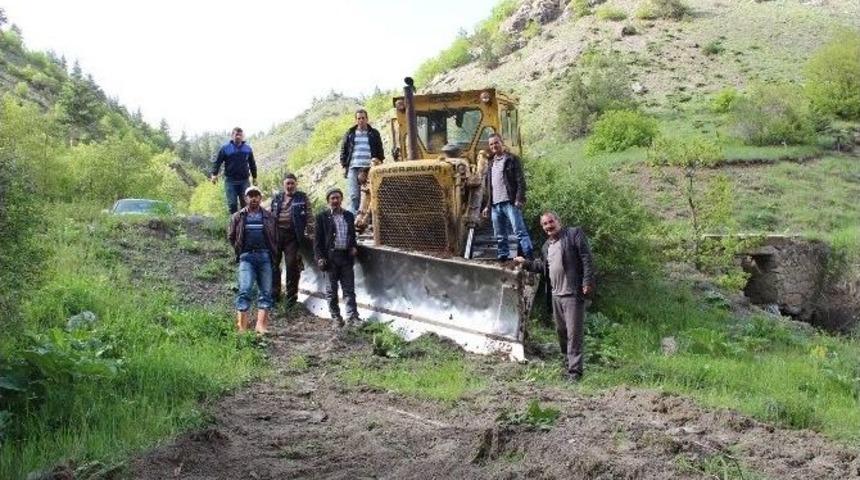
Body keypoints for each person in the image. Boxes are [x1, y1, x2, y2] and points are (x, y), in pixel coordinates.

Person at [514, 212, 595, 381]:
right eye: (545, 224)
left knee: (574, 334)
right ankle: (568, 364)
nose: (548, 226)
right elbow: (542, 266)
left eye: (551, 222)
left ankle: (575, 373)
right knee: (561, 332)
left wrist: (587, 281)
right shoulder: (546, 246)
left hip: (572, 293)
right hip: (555, 296)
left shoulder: (573, 234)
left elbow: (586, 258)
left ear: (559, 221)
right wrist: (525, 262)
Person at [228, 186, 277, 334]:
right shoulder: (238, 216)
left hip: (264, 257)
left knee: (266, 292)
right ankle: (242, 327)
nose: (253, 198)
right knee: (245, 290)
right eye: (250, 195)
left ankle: (261, 326)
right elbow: (231, 236)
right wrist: (240, 251)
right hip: (246, 258)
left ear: (260, 198)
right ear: (245, 198)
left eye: (256, 195)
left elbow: (275, 237)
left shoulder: (269, 216)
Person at [482, 133, 534, 261]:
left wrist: (519, 198)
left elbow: (520, 180)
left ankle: (529, 258)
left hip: (510, 202)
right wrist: (488, 206)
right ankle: (503, 258)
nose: (494, 146)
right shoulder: (490, 163)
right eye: (491, 144)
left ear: (501, 143)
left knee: (520, 232)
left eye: (496, 142)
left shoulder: (512, 159)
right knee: (500, 235)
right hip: (495, 205)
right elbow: (490, 187)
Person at [314, 187, 359, 328]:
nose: (335, 200)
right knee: (331, 291)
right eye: (332, 198)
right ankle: (336, 318)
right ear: (328, 201)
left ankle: (352, 317)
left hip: (345, 257)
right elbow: (317, 241)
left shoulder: (349, 216)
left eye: (337, 198)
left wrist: (353, 247)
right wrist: (320, 257)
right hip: (330, 258)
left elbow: (352, 235)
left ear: (341, 199)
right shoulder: (322, 217)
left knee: (349, 289)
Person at [269, 173, 309, 307]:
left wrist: (312, 234)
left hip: (293, 236)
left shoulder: (302, 197)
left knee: (292, 264)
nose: (290, 186)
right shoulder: (277, 198)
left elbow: (309, 216)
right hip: (276, 234)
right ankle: (275, 295)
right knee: (274, 264)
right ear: (283, 184)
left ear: (296, 184)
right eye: (288, 183)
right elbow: (270, 215)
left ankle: (291, 297)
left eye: (292, 183)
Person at [340, 109, 384, 213]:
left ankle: (370, 219)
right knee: (354, 195)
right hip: (353, 167)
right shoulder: (350, 133)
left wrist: (378, 160)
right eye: (359, 118)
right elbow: (343, 150)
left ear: (367, 119)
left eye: (363, 118)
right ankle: (356, 221)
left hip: (370, 168)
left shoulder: (374, 133)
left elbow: (380, 150)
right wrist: (343, 164)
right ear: (356, 120)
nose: (361, 120)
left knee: (372, 194)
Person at [211, 127, 258, 214]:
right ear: (232, 136)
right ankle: (234, 225)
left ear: (243, 136)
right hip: (230, 182)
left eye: (240, 135)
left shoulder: (247, 149)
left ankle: (244, 225)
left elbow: (252, 163)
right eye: (236, 134)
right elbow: (218, 162)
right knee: (232, 205)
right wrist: (214, 174)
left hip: (244, 181)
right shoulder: (225, 148)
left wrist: (254, 177)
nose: (238, 137)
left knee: (246, 204)